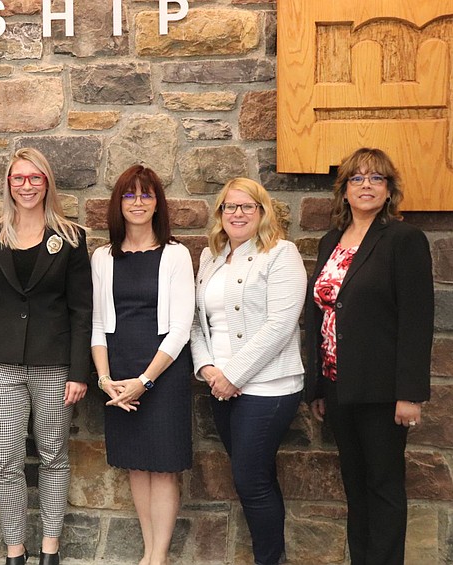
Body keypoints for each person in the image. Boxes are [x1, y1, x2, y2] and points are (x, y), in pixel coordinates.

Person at [0, 148, 92, 565]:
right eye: (19, 178)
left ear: (47, 183)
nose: (27, 186)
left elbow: (80, 309)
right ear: (8, 184)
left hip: (54, 365)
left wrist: (78, 371)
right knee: (6, 460)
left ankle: (50, 549)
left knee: (54, 456)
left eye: (35, 178)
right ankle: (15, 550)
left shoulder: (71, 238)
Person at [306, 148, 433, 565]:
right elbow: (319, 315)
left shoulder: (403, 239)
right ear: (343, 191)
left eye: (376, 179)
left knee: (384, 488)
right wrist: (319, 388)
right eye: (356, 179)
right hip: (338, 386)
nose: (365, 186)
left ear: (389, 190)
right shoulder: (330, 242)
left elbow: (417, 319)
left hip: (382, 391)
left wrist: (409, 393)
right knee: (355, 488)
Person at [190, 178, 306, 565]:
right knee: (255, 478)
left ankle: (269, 560)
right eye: (229, 207)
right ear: (220, 214)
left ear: (262, 212)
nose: (237, 214)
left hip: (269, 386)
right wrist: (207, 367)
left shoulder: (281, 253)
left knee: (250, 480)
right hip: (220, 385)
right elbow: (196, 322)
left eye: (247, 207)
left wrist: (232, 375)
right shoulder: (210, 257)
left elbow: (281, 325)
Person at [90, 165, 194, 565]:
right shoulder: (102, 257)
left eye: (145, 195)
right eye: (129, 195)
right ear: (118, 203)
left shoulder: (175, 254)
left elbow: (181, 329)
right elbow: (98, 324)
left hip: (162, 374)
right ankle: (147, 553)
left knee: (164, 467)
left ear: (157, 204)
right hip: (118, 374)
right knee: (136, 465)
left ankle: (159, 556)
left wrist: (145, 381)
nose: (137, 202)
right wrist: (104, 380)